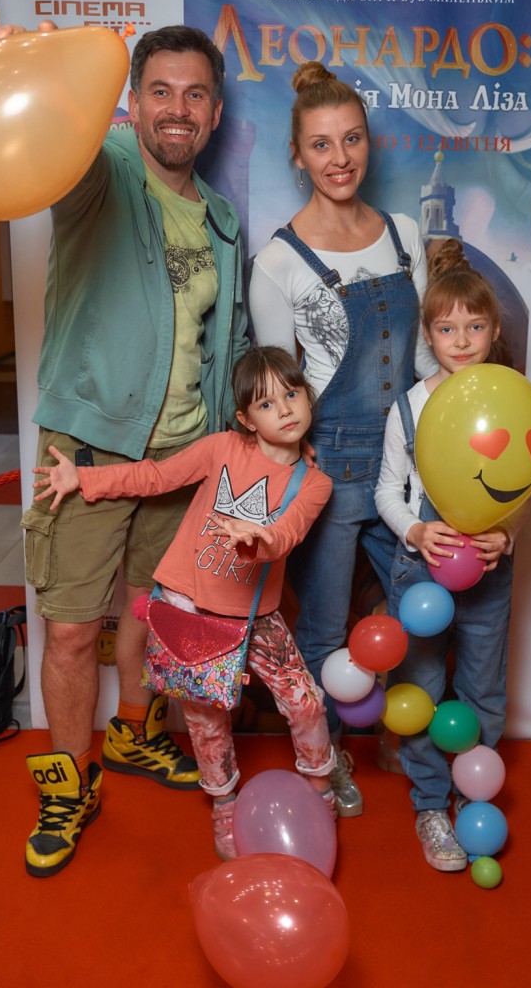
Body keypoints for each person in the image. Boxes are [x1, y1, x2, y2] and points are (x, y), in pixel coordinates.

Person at [0, 22, 250, 876]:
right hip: (89, 450)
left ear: (214, 113)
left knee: (145, 614)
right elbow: (44, 141)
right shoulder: (100, 172)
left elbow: (229, 340)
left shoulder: (222, 218)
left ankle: (133, 734)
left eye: (195, 94)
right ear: (133, 103)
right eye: (159, 91)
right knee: (67, 635)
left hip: (180, 456)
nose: (177, 109)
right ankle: (68, 784)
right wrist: (18, 67)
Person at [32, 346, 336, 861]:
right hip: (190, 609)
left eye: (291, 394)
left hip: (255, 616)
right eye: (266, 404)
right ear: (246, 419)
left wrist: (258, 539)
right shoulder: (221, 448)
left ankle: (320, 789)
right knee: (205, 721)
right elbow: (155, 477)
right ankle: (223, 804)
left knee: (305, 702)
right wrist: (84, 479)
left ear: (307, 396)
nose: (284, 410)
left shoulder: (315, 482)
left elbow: (287, 533)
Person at [249, 61, 437, 816]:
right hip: (329, 465)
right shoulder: (277, 262)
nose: (339, 158)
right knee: (324, 631)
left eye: (351, 139)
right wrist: (291, 478)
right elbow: (277, 393)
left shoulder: (404, 234)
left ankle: (419, 766)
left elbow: (424, 365)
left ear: (368, 143)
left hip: (409, 463)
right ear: (296, 155)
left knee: (420, 619)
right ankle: (323, 768)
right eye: (321, 144)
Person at [375, 238, 521, 872]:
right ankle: (431, 804)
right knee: (421, 689)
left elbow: (522, 484)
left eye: (475, 326)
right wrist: (414, 531)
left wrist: (507, 533)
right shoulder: (408, 407)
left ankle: (472, 795)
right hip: (421, 571)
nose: (461, 340)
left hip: (488, 570)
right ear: (428, 334)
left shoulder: (511, 400)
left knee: (483, 691)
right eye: (446, 328)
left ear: (494, 331)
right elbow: (387, 490)